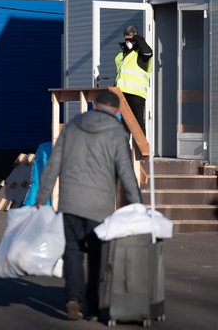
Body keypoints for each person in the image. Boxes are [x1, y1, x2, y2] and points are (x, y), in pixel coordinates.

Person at [35, 90, 142, 321]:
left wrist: (41, 198)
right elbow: (126, 173)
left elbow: (53, 163)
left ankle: (73, 298)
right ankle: (92, 308)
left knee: (72, 252)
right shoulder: (116, 133)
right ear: (116, 111)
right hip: (99, 208)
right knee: (97, 257)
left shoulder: (72, 127)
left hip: (70, 203)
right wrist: (138, 205)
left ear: (94, 106)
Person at [114, 25, 153, 134]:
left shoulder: (141, 55)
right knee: (122, 125)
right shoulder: (120, 55)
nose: (128, 41)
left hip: (136, 94)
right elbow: (119, 76)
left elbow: (148, 52)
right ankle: (123, 149)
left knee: (137, 123)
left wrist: (137, 38)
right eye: (126, 39)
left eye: (130, 39)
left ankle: (142, 151)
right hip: (121, 94)